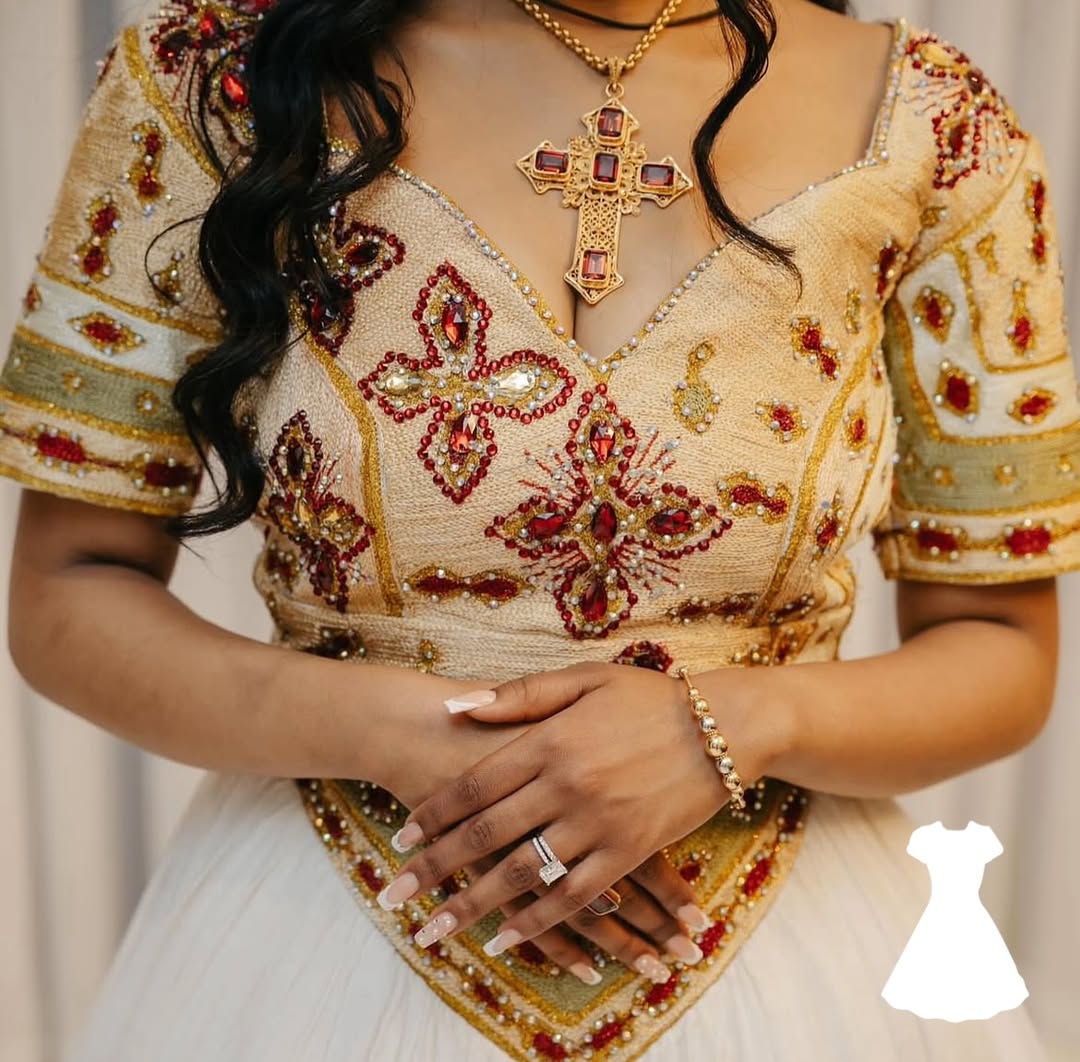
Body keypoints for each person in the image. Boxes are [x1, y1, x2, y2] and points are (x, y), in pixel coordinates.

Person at [2, 0, 1074, 1058]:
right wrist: (408, 741)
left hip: (794, 959)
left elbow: (1001, 651)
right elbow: (69, 590)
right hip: (323, 934)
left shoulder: (931, 124)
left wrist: (731, 728)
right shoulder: (218, 84)